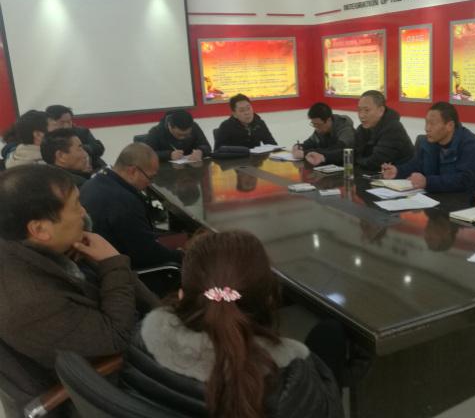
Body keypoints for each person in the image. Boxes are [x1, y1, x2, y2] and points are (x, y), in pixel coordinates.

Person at [120, 230, 344, 418]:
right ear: (269, 300)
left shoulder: (142, 340)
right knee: (330, 334)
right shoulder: (290, 379)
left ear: (181, 295)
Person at [0, 164, 157, 370]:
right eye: (76, 206)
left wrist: (167, 315)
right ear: (39, 229)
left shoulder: (48, 245)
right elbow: (115, 339)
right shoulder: (31, 304)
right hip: (124, 371)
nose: (83, 212)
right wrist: (113, 263)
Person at [80, 143, 184, 269]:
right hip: (123, 269)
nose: (149, 183)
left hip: (96, 263)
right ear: (132, 172)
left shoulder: (95, 181)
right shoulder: (124, 201)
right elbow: (147, 255)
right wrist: (181, 255)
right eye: (150, 178)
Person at [381, 102, 475, 194]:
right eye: (426, 123)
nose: (427, 128)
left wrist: (428, 182)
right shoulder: (428, 142)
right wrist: (398, 171)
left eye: (432, 123)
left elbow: (464, 180)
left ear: (449, 126)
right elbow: (416, 165)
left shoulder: (471, 144)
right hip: (435, 197)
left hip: (464, 201)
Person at [305, 90, 414, 171]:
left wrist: (355, 158)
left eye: (366, 110)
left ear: (381, 110)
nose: (361, 115)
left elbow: (375, 163)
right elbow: (350, 152)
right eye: (359, 110)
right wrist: (323, 157)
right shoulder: (363, 129)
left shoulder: (393, 128)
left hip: (403, 180)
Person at [145, 109, 211, 162]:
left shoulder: (194, 127)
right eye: (178, 134)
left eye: (187, 135)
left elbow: (207, 146)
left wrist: (201, 151)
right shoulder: (157, 131)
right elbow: (146, 154)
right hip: (163, 170)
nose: (182, 138)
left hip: (188, 168)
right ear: (170, 126)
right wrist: (169, 155)